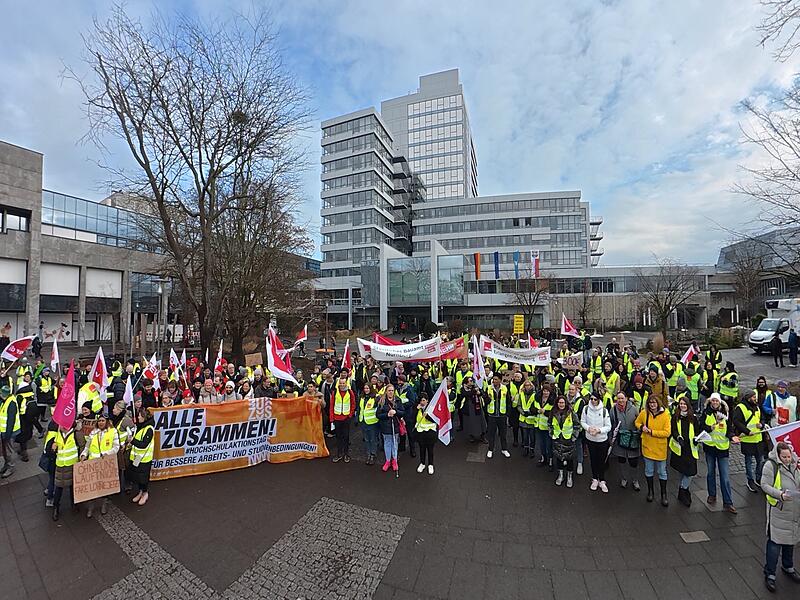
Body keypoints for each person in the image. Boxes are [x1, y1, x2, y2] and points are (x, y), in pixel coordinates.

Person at [761, 442, 800, 593]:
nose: (787, 459)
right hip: (779, 510)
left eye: (789, 456)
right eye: (784, 457)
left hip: (794, 510)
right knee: (775, 544)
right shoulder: (771, 465)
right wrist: (780, 495)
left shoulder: (796, 463)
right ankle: (770, 573)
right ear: (778, 455)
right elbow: (765, 485)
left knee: (790, 541)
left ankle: (788, 566)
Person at [699, 393, 737, 513]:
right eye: (713, 401)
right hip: (710, 447)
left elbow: (729, 429)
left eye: (717, 401)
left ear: (720, 402)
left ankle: (728, 502)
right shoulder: (706, 413)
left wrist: (732, 436)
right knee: (710, 473)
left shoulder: (726, 413)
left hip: (722, 449)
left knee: (724, 477)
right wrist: (709, 428)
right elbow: (701, 427)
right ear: (710, 401)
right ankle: (712, 494)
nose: (715, 403)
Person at [79, 413, 119, 517]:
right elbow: (87, 447)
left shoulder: (113, 432)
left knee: (104, 485)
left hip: (105, 463)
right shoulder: (93, 432)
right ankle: (91, 507)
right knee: (93, 486)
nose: (101, 423)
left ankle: (104, 504)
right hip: (93, 463)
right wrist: (83, 455)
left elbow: (116, 447)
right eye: (99, 421)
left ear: (107, 422)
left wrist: (107, 453)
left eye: (103, 421)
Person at [635, 395, 671, 506]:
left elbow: (667, 432)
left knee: (662, 472)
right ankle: (650, 491)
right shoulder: (644, 413)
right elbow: (637, 422)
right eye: (650, 403)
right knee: (649, 471)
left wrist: (651, 432)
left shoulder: (665, 415)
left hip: (660, 449)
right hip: (647, 447)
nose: (652, 405)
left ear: (658, 403)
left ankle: (664, 494)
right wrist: (641, 427)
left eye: (654, 402)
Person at [733, 390, 766, 493]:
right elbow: (736, 421)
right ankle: (750, 481)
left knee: (760, 461)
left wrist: (761, 424)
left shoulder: (757, 407)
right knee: (749, 462)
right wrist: (747, 431)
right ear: (748, 398)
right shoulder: (740, 407)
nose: (755, 398)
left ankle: (758, 478)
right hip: (747, 440)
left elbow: (762, 418)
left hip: (758, 439)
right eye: (753, 397)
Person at [52, 421, 86, 520]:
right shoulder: (58, 433)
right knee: (58, 487)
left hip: (72, 465)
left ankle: (74, 504)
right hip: (60, 465)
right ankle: (56, 507)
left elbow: (82, 447)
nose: (62, 426)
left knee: (73, 487)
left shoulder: (76, 434)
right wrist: (53, 447)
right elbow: (54, 446)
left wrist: (81, 458)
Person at [669, 396, 699, 508]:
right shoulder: (675, 417)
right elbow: (673, 430)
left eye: (684, 404)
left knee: (690, 472)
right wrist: (678, 437)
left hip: (690, 449)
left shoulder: (693, 417)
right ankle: (684, 492)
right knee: (682, 471)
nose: (682, 406)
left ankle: (683, 490)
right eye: (681, 404)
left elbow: (697, 430)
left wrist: (696, 438)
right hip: (680, 449)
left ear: (688, 405)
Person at [580, 392, 611, 492]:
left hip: (602, 440)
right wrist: (588, 428)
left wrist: (599, 430)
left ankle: (602, 479)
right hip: (590, 439)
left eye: (595, 399)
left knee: (601, 460)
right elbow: (582, 422)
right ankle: (594, 479)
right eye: (591, 399)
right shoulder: (586, 409)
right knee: (593, 460)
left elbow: (608, 426)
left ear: (599, 400)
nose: (593, 401)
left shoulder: (604, 411)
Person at [610, 391, 641, 492]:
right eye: (618, 398)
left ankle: (635, 480)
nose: (620, 400)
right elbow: (611, 424)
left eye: (622, 398)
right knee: (622, 460)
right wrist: (611, 439)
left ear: (626, 399)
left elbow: (639, 422)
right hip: (620, 440)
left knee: (633, 462)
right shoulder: (613, 410)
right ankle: (624, 479)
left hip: (632, 440)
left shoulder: (634, 409)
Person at [550, 395, 578, 487]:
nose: (561, 404)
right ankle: (560, 475)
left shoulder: (571, 412)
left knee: (569, 459)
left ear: (566, 403)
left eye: (562, 402)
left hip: (568, 440)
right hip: (557, 439)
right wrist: (551, 434)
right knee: (559, 458)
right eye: (559, 402)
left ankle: (569, 476)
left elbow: (577, 425)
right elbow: (549, 424)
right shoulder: (553, 412)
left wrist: (574, 437)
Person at [128, 408, 155, 506]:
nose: (138, 417)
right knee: (138, 478)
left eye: (140, 416)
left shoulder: (149, 429)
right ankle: (140, 492)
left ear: (144, 417)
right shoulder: (139, 426)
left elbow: (144, 444)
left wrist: (132, 441)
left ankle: (145, 493)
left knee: (143, 478)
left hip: (144, 459)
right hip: (137, 458)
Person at [376, 384, 404, 473]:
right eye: (389, 390)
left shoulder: (398, 400)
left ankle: (394, 460)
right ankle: (388, 461)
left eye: (392, 390)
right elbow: (378, 415)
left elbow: (402, 412)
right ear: (386, 392)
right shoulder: (382, 401)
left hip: (395, 425)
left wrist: (396, 412)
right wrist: (387, 415)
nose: (391, 392)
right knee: (387, 443)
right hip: (385, 426)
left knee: (395, 443)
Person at [483, 374, 510, 459]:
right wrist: (487, 398)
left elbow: (508, 401)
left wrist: (507, 413)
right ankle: (490, 449)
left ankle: (504, 449)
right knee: (491, 434)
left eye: (496, 379)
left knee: (503, 434)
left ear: (500, 380)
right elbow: (485, 401)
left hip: (502, 415)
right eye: (493, 379)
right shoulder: (488, 388)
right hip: (492, 415)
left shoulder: (505, 388)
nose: (494, 381)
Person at [330, 378, 355, 463]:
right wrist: (331, 418)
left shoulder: (350, 392)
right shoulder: (335, 392)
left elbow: (353, 404)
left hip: (346, 418)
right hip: (337, 418)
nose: (342, 385)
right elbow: (331, 405)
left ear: (346, 384)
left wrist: (350, 415)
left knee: (346, 437)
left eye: (343, 383)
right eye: (340, 383)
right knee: (338, 437)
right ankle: (339, 453)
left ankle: (346, 454)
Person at [0, 385, 20, 479]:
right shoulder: (5, 401)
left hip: (10, 433)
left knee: (9, 451)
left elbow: (10, 422)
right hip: (4, 431)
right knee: (5, 450)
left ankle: (10, 467)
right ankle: (6, 464)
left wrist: (7, 436)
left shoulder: (11, 403)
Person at [415, 394, 437, 475]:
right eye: (421, 400)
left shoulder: (431, 408)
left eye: (424, 400)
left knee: (430, 449)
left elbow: (436, 419)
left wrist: (427, 416)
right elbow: (413, 417)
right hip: (421, 431)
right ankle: (422, 463)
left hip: (430, 431)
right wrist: (416, 409)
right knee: (422, 448)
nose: (422, 402)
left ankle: (430, 465)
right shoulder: (417, 408)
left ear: (427, 401)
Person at [459, 377, 487, 443]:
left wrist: (479, 393)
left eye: (472, 380)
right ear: (466, 382)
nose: (472, 382)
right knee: (470, 422)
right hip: (469, 408)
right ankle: (471, 436)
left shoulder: (476, 387)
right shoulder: (463, 388)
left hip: (477, 406)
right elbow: (466, 394)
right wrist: (474, 391)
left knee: (481, 421)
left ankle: (482, 435)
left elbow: (482, 394)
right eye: (470, 381)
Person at [358, 382, 379, 466]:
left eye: (367, 388)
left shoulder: (375, 398)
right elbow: (359, 409)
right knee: (366, 439)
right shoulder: (362, 397)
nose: (366, 390)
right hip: (363, 421)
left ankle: (373, 454)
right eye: (365, 388)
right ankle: (368, 454)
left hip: (372, 422)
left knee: (373, 439)